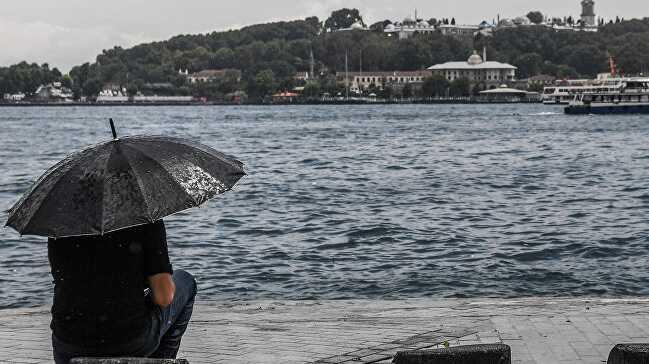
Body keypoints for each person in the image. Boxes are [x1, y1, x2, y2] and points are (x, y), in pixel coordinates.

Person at [47, 220, 196, 364]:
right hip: (130, 341)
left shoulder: (60, 223)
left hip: (67, 346)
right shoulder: (143, 219)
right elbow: (164, 297)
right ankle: (159, 361)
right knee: (186, 281)